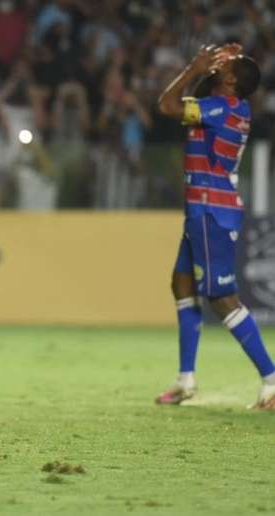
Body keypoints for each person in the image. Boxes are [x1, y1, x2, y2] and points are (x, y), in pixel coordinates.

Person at [155, 43, 275, 410]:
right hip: (203, 208)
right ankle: (185, 380)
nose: (220, 62)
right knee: (181, 284)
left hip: (211, 211)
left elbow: (167, 105)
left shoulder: (222, 107)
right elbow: (201, 95)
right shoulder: (231, 105)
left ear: (232, 80)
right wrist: (216, 65)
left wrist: (194, 67)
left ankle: (271, 378)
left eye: (228, 64)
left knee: (222, 299)